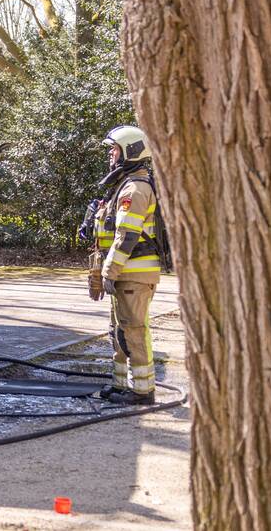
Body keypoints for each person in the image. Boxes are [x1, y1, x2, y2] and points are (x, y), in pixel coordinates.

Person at [90, 125, 161, 405]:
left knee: (132, 331)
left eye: (115, 149)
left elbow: (127, 236)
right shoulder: (124, 185)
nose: (111, 154)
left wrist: (110, 271)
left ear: (130, 151)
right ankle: (122, 385)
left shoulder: (135, 188)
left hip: (134, 274)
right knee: (119, 332)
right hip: (125, 274)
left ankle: (142, 391)